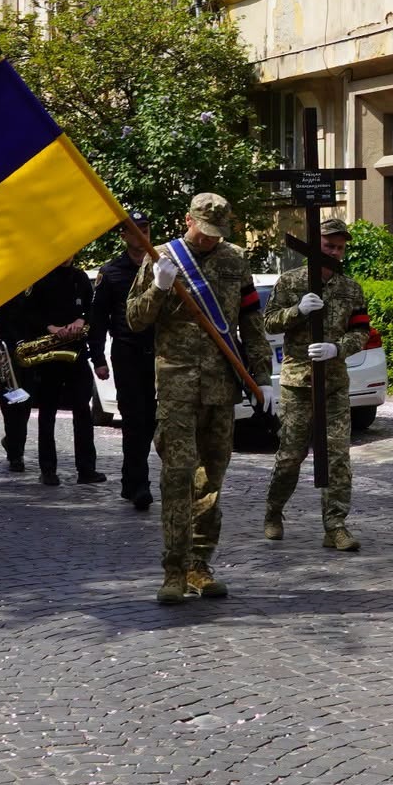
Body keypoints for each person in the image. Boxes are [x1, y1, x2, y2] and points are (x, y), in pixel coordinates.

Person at [127, 193, 269, 605]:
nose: (209, 240)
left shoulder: (234, 260)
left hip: (221, 389)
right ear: (188, 220)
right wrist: (159, 287)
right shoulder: (162, 258)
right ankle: (173, 571)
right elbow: (135, 318)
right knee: (177, 477)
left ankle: (199, 565)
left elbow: (251, 322)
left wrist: (263, 377)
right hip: (177, 388)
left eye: (216, 234)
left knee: (211, 481)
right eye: (204, 232)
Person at [264, 217, 372, 552]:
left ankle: (335, 525)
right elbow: (268, 322)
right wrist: (297, 310)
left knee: (338, 456)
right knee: (290, 456)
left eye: (339, 247)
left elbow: (361, 330)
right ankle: (274, 511)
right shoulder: (290, 281)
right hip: (299, 383)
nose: (335, 252)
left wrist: (338, 348)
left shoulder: (350, 288)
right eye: (329, 246)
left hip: (335, 383)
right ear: (315, 246)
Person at [0, 258, 104, 487]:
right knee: (47, 413)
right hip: (48, 355)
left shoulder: (80, 278)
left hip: (76, 353)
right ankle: (48, 470)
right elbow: (28, 313)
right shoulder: (40, 278)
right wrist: (51, 328)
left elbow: (91, 308)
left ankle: (86, 469)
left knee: (83, 412)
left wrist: (80, 319)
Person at [89, 214, 158, 511]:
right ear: (124, 236)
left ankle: (133, 481)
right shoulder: (112, 272)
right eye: (135, 231)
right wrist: (99, 360)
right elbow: (98, 320)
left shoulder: (162, 266)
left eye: (145, 230)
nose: (141, 236)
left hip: (160, 352)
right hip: (127, 352)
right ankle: (138, 483)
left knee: (153, 419)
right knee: (134, 419)